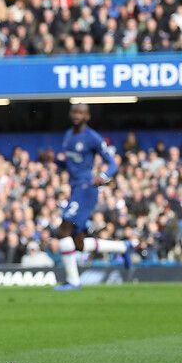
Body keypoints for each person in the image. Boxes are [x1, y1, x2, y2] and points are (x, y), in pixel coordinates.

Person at [52, 103, 133, 290]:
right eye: (74, 111)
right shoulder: (68, 135)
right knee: (77, 243)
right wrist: (55, 161)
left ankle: (73, 281)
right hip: (75, 188)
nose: (76, 115)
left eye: (81, 112)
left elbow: (113, 164)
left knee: (63, 230)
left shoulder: (93, 138)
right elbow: (71, 165)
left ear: (87, 116)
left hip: (86, 189)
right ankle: (123, 247)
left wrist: (103, 177)